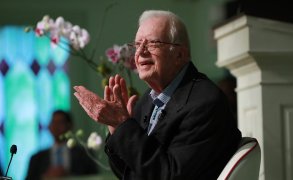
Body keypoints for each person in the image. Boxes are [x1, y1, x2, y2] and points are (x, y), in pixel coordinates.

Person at [73, 10, 241, 180]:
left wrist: (123, 125)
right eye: (137, 45)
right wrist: (117, 130)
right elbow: (127, 173)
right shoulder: (148, 99)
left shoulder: (204, 102)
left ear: (179, 54)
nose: (141, 52)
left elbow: (170, 175)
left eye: (152, 43)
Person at [26, 110, 98, 180]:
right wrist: (45, 176)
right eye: (53, 122)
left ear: (69, 125)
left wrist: (68, 176)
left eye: (60, 122)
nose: (55, 126)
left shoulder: (85, 154)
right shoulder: (37, 158)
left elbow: (94, 177)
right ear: (49, 127)